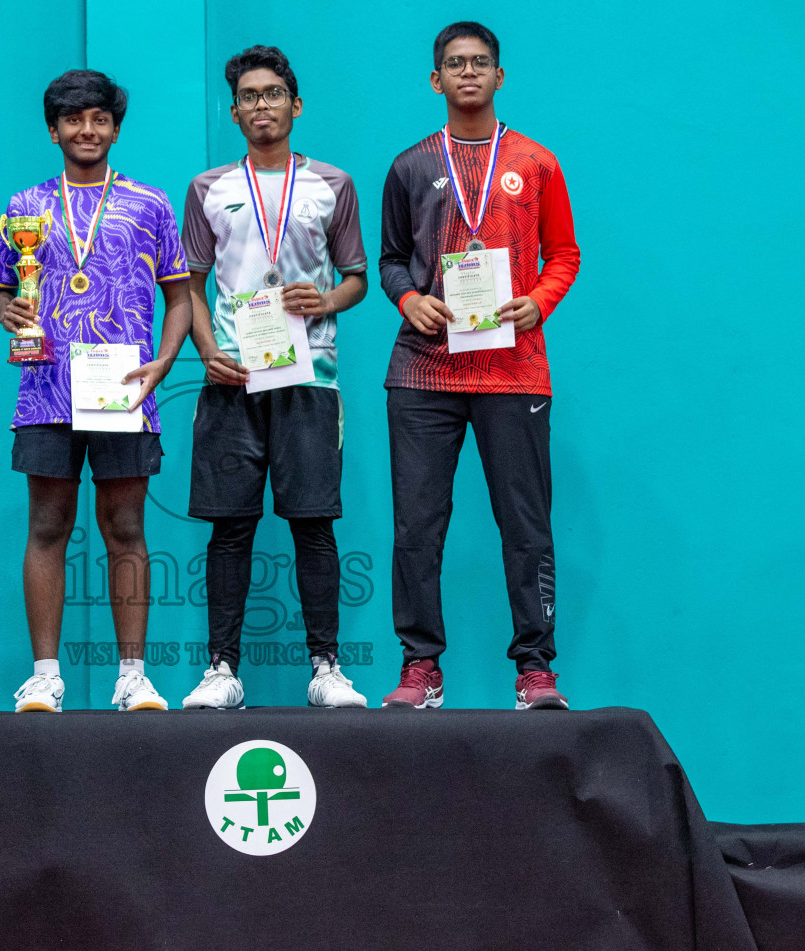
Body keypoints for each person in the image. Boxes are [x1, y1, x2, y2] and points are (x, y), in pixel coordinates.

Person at [378, 22, 581, 711]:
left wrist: (538, 303)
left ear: (500, 76)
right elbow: (390, 259)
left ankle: (535, 670)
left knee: (525, 525)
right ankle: (420, 667)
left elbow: (565, 254)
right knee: (417, 525)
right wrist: (410, 300)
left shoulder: (537, 161)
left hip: (512, 370)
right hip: (423, 372)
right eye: (455, 64)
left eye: (480, 63)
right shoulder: (409, 165)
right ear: (436, 80)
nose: (468, 72)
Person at [0, 69, 193, 713]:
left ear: (115, 128)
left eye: (99, 118)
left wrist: (163, 363)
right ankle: (45, 674)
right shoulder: (24, 207)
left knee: (126, 527)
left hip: (125, 390)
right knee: (47, 526)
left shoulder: (150, 203)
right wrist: (8, 314)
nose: (87, 130)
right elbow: (0, 289)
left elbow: (181, 295)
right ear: (53, 131)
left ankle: (133, 675)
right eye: (73, 120)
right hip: (46, 388)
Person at [178, 46, 369, 710]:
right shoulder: (208, 189)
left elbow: (356, 279)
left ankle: (327, 670)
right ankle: (221, 672)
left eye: (274, 93)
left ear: (296, 105)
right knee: (230, 528)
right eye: (250, 96)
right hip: (233, 380)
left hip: (310, 379)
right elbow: (190, 287)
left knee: (313, 524)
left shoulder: (334, 186)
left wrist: (328, 300)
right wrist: (207, 352)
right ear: (234, 113)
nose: (262, 105)